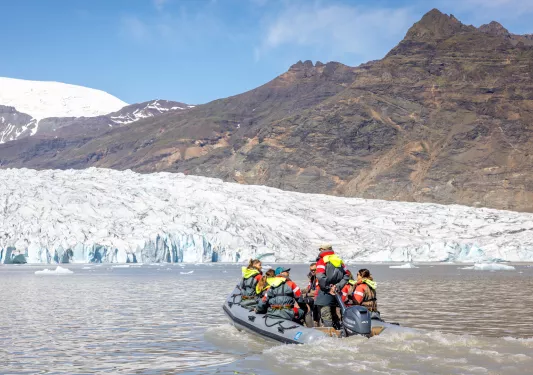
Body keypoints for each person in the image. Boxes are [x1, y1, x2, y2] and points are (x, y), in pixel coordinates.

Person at [315, 244, 350, 328]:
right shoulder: (339, 261)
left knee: (326, 315)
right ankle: (339, 331)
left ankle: (330, 334)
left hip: (325, 293)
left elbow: (320, 276)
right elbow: (347, 275)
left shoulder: (322, 261)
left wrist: (328, 287)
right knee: (334, 315)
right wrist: (337, 286)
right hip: (336, 293)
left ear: (323, 250)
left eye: (320, 249)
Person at [302, 263, 321, 327]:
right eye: (311, 270)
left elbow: (317, 291)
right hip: (313, 297)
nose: (313, 271)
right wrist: (300, 291)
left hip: (317, 297)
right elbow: (309, 288)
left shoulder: (319, 278)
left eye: (314, 270)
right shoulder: (312, 278)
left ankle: (312, 323)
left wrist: (306, 294)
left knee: (305, 302)